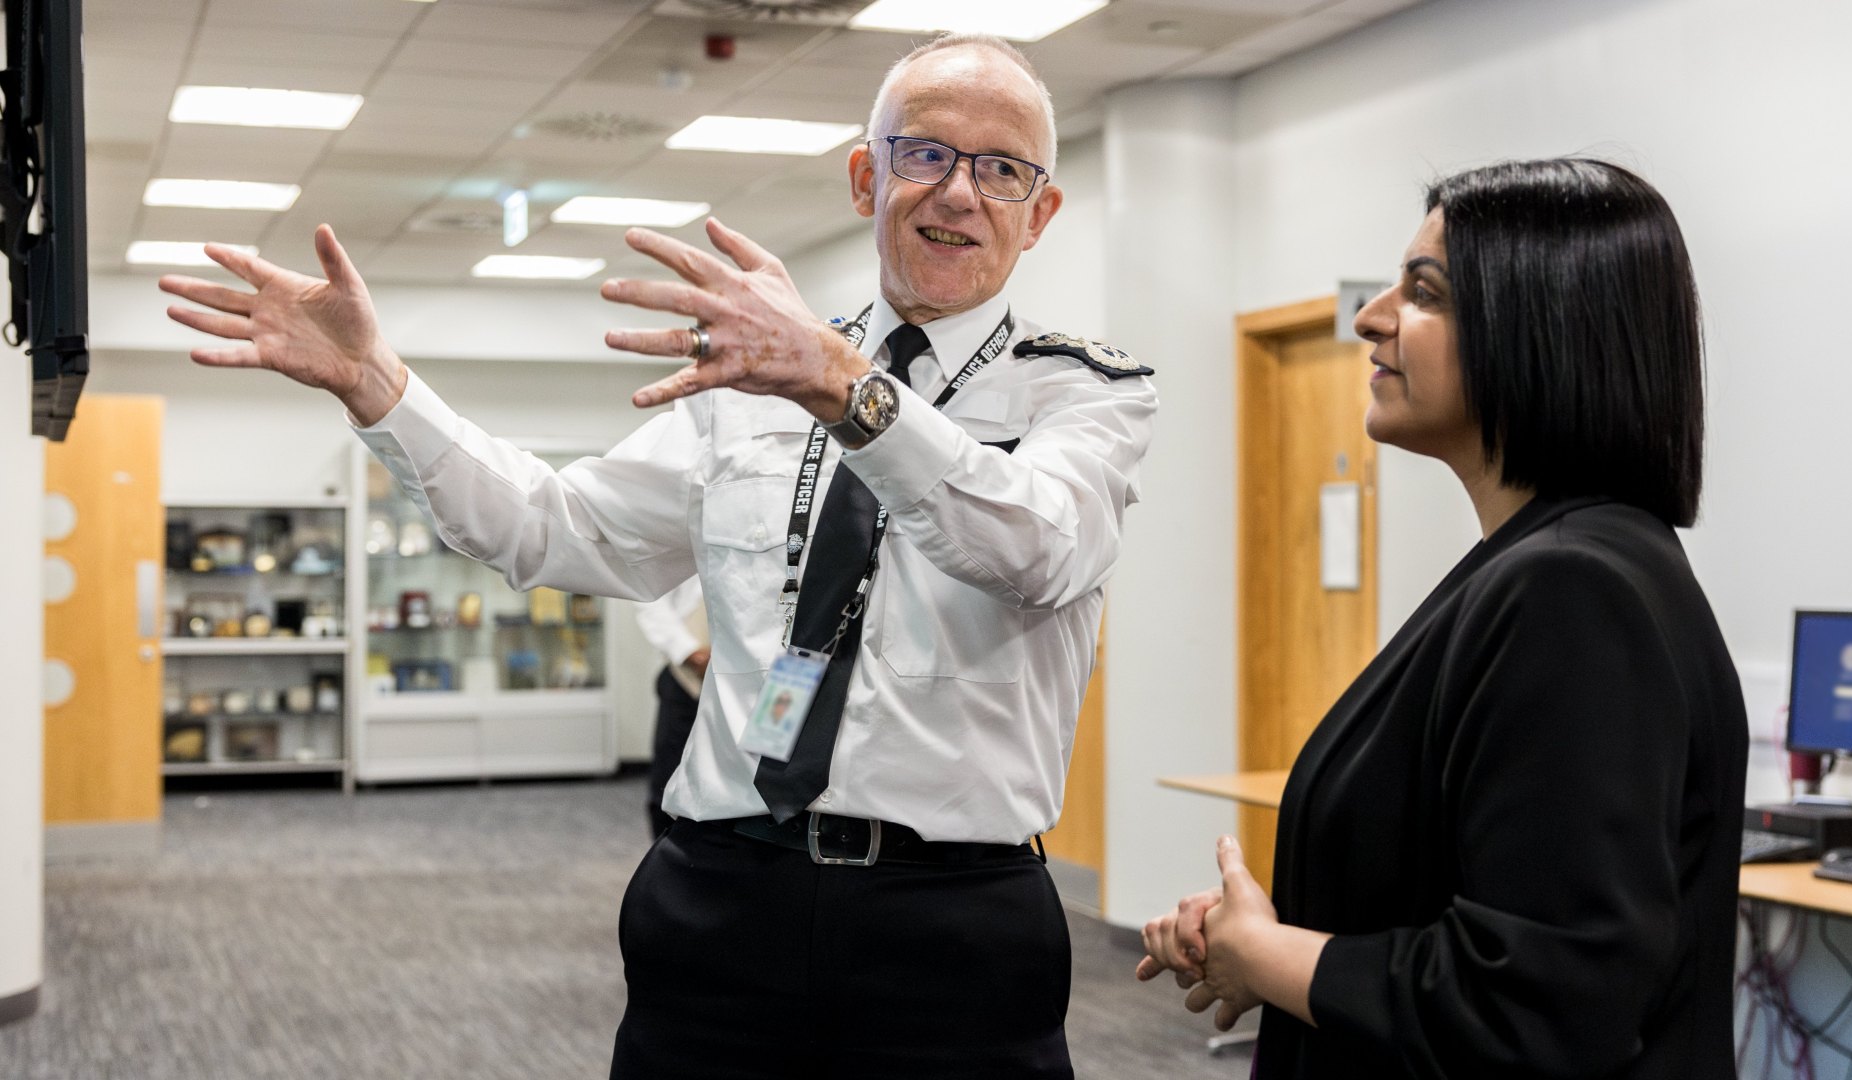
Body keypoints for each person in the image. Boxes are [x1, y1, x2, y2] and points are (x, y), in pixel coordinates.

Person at [159, 32, 1155, 1079]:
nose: (960, 193)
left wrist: (838, 384)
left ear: (1038, 214)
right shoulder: (752, 375)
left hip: (950, 926)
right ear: (868, 176)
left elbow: (1033, 546)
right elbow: (555, 526)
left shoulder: (1085, 392)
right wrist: (381, 390)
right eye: (926, 155)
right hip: (721, 900)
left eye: (1001, 171)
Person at [1137, 158, 1746, 1079]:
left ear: (1542, 326)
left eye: (1423, 291)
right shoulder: (1557, 564)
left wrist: (1265, 956)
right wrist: (1266, 938)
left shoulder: (1572, 593)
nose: (1371, 316)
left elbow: (1535, 1005)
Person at [631, 578, 707, 840]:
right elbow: (649, 597)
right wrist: (689, 652)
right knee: (669, 777)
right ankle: (664, 858)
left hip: (750, 683)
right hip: (686, 677)